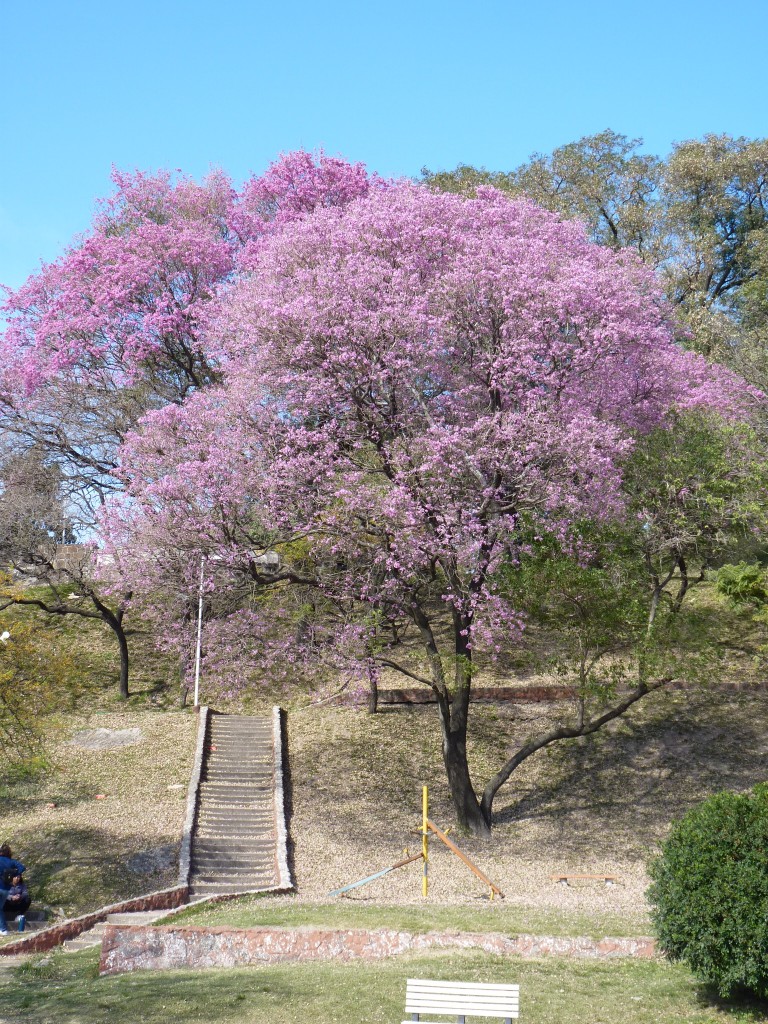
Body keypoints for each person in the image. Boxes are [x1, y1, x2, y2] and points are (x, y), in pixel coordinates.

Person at [0, 844, 25, 936]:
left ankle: (3, 929)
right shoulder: (11, 862)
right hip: (6, 889)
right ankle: (3, 929)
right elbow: (22, 868)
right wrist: (14, 874)